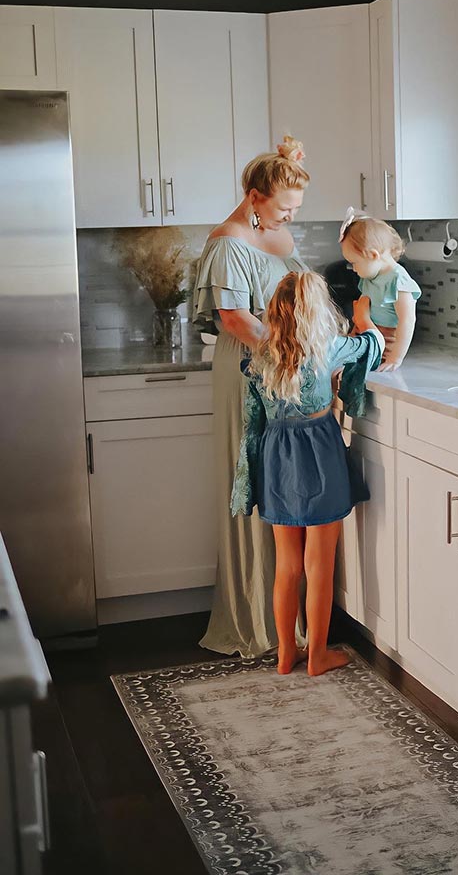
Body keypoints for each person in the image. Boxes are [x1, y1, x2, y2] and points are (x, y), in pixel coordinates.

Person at [232, 271, 384, 676]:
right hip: (320, 455)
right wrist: (364, 318)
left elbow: (252, 424)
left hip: (276, 461)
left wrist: (247, 481)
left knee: (288, 565)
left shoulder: (259, 358)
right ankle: (317, 655)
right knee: (320, 564)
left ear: (274, 313)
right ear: (318, 312)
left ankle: (286, 653)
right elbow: (373, 345)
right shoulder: (329, 348)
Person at [192, 136, 309, 657]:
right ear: (253, 197)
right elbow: (236, 320)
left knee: (283, 486)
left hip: (285, 370)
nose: (290, 216)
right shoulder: (228, 242)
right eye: (283, 207)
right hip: (250, 373)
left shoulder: (272, 230)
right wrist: (290, 354)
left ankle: (288, 617)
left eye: (295, 208)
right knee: (254, 476)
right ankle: (256, 619)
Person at [338, 211, 421, 371]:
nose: (353, 269)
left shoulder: (398, 281)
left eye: (354, 262)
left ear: (373, 255)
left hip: (388, 340)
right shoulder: (370, 277)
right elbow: (363, 312)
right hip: (368, 333)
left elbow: (407, 321)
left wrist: (395, 357)